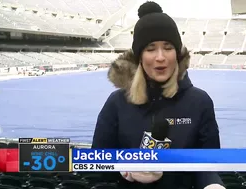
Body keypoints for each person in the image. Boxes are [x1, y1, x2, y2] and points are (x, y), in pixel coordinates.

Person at [91, 1, 225, 189]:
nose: (160, 57)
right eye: (150, 48)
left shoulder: (200, 102)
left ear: (177, 54)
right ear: (140, 57)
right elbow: (96, 165)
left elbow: (209, 165)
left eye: (168, 47)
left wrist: (212, 185)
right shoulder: (117, 103)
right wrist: (125, 168)